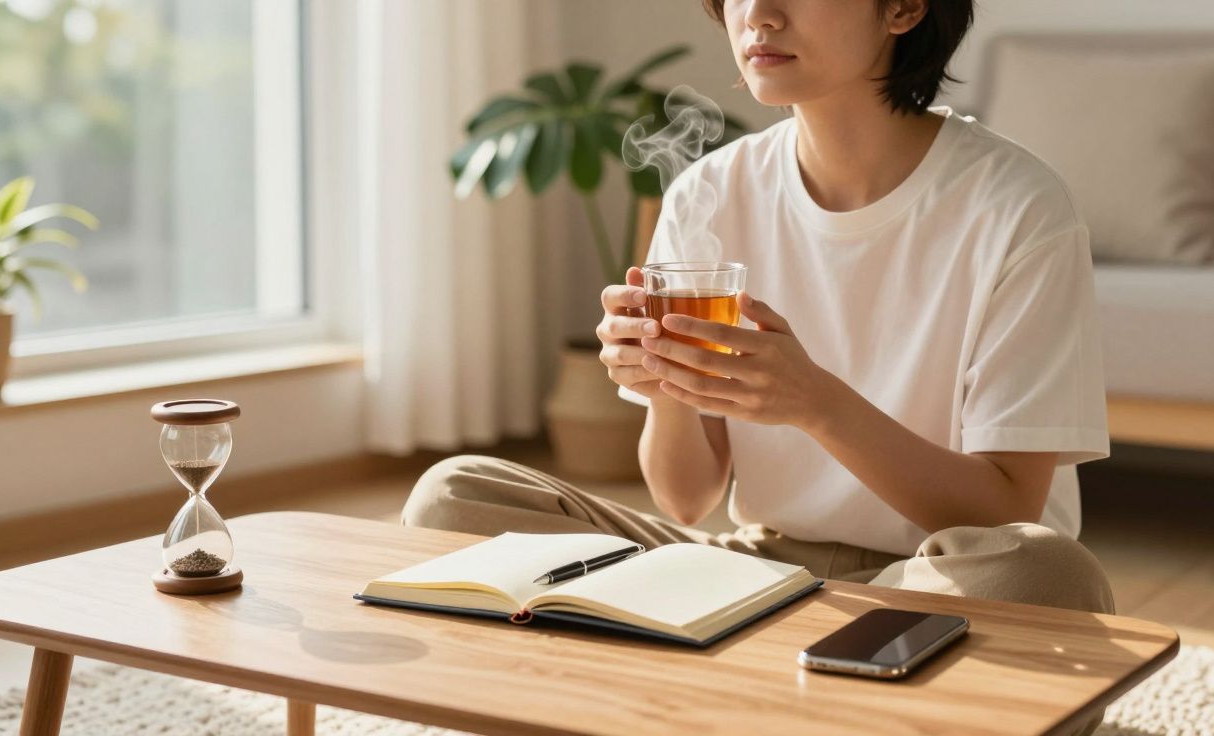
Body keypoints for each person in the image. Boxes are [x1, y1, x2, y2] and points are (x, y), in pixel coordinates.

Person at [403, 0, 1115, 617]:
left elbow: (1006, 512)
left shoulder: (1018, 207)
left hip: (937, 574)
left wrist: (816, 404)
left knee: (1046, 578)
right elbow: (683, 501)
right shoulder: (710, 192)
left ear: (902, 9)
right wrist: (667, 385)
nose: (760, 15)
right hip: (757, 572)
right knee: (452, 499)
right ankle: (816, 674)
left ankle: (726, 672)